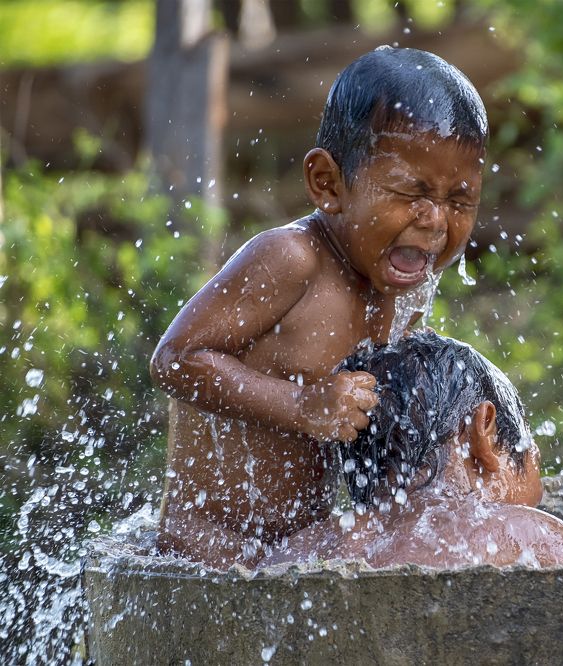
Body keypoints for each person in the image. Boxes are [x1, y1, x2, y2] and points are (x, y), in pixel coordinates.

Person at [150, 47, 491, 568]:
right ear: (328, 184)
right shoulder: (291, 260)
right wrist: (302, 406)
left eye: (460, 201)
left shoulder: (399, 289)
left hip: (296, 553)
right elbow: (175, 358)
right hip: (207, 552)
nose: (436, 221)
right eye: (410, 192)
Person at [261, 332, 563, 570]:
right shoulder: (523, 535)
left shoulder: (297, 551)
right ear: (483, 430)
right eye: (533, 456)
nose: (538, 494)